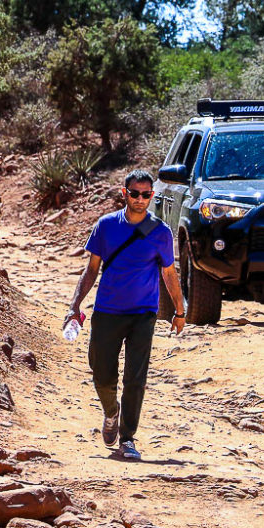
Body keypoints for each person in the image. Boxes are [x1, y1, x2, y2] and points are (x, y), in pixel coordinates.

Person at [65, 170, 186, 460]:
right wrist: (75, 305)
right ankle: (111, 412)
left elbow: (169, 274)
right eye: (135, 193)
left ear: (152, 196)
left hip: (143, 314)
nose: (140, 199)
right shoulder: (106, 226)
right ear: (124, 192)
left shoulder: (160, 232)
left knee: (136, 377)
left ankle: (128, 438)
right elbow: (91, 269)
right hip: (107, 311)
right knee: (101, 371)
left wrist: (180, 311)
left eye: (146, 194)